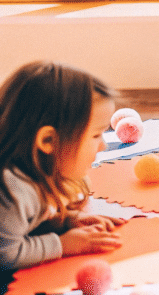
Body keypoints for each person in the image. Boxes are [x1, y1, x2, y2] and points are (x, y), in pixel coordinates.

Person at [0, 61, 124, 271]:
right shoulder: (13, 191)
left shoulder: (40, 170)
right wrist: (62, 245)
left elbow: (37, 216)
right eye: (96, 135)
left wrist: (68, 220)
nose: (103, 145)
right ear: (48, 141)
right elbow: (5, 254)